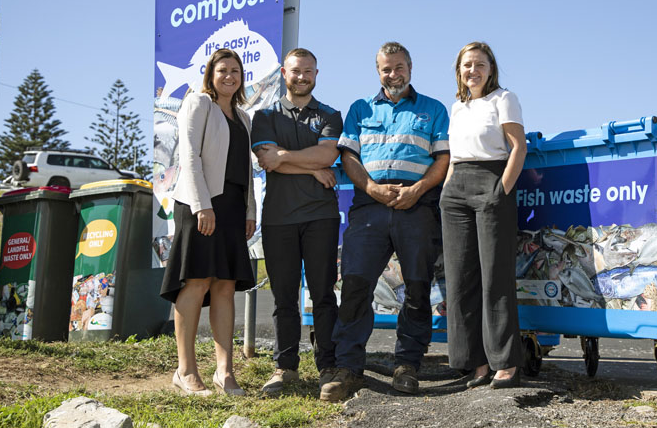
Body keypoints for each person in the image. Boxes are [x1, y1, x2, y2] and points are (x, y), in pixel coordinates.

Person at [319, 42, 450, 402]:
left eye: (399, 67)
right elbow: (349, 157)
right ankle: (348, 368)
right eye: (386, 69)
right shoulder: (360, 109)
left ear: (410, 67)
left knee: (418, 289)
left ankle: (407, 365)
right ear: (378, 72)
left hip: (417, 206)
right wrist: (372, 188)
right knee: (356, 286)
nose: (393, 74)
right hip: (369, 206)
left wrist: (418, 189)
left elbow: (443, 159)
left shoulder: (433, 110)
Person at [160, 48, 257, 397]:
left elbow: (246, 170)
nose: (229, 76)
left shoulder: (244, 118)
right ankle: (185, 371)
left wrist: (250, 211)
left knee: (225, 286)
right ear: (210, 75)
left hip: (232, 207)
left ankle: (224, 373)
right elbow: (188, 156)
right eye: (222, 70)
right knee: (197, 282)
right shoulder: (199, 103)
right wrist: (203, 205)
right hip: (199, 203)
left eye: (236, 70)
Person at [249, 48, 343, 394]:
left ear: (316, 74)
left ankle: (328, 366)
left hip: (321, 216)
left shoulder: (331, 115)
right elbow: (266, 161)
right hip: (278, 218)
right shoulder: (265, 115)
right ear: (284, 75)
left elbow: (328, 153)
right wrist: (313, 167)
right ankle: (285, 368)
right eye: (295, 71)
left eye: (308, 71)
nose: (301, 77)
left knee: (323, 295)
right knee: (284, 299)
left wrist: (288, 157)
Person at [439, 41, 527, 389]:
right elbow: (456, 156)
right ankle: (474, 363)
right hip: (456, 188)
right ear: (459, 71)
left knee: (496, 276)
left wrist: (501, 190)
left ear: (491, 69)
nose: (472, 70)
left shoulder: (504, 99)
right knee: (461, 280)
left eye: (479, 64)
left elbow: (518, 147)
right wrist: (446, 191)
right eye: (466, 65)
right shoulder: (456, 107)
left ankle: (505, 363)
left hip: (492, 182)